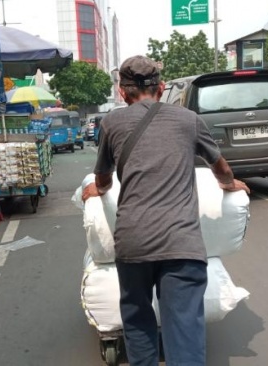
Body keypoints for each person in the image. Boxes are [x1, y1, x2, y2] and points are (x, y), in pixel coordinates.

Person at [81, 55, 250, 366]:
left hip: (133, 243)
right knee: (183, 327)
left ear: (122, 92)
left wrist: (98, 190)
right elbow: (220, 167)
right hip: (181, 244)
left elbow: (103, 177)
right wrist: (229, 185)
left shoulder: (111, 122)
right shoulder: (188, 120)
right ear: (161, 88)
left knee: (137, 319)